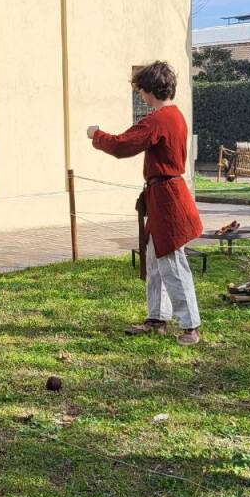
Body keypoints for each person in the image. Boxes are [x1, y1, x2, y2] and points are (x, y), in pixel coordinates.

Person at [87, 61, 203, 346]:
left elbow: (122, 145)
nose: (139, 95)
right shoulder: (174, 115)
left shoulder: (159, 119)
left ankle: (190, 326)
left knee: (172, 262)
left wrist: (96, 135)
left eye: (140, 90)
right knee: (155, 260)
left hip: (168, 200)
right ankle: (157, 318)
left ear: (151, 88)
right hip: (163, 195)